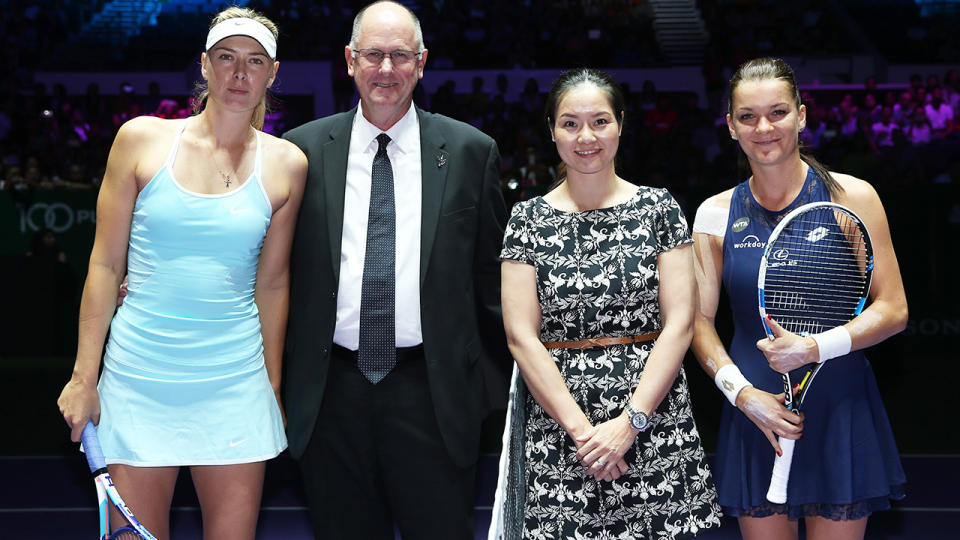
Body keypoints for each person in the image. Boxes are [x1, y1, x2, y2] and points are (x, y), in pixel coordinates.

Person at [56, 7, 307, 539]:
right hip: (136, 380)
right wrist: (83, 377)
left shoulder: (288, 164)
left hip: (236, 385)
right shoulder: (140, 140)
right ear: (205, 66)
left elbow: (273, 283)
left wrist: (272, 389)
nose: (240, 74)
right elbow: (104, 263)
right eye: (227, 58)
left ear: (272, 73)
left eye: (254, 61)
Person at [281, 2, 508, 539]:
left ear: (422, 62)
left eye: (400, 55)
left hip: (433, 392)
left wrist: (488, 391)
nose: (387, 69)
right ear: (349, 61)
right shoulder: (299, 152)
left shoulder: (472, 152)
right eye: (373, 55)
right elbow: (268, 267)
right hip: (329, 391)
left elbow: (493, 285)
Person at [490, 68, 721, 539]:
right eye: (570, 123)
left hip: (655, 423)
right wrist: (584, 434)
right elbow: (521, 336)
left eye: (599, 121)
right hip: (560, 430)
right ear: (552, 131)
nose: (585, 136)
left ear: (621, 124)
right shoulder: (527, 219)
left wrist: (630, 423)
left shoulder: (658, 208)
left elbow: (679, 324)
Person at [691, 57, 907, 540]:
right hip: (756, 412)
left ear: (802, 116)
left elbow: (894, 309)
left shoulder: (854, 198)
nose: (763, 127)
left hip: (840, 406)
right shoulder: (713, 214)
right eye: (747, 116)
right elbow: (698, 324)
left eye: (778, 112)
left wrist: (812, 349)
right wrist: (742, 395)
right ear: (730, 127)